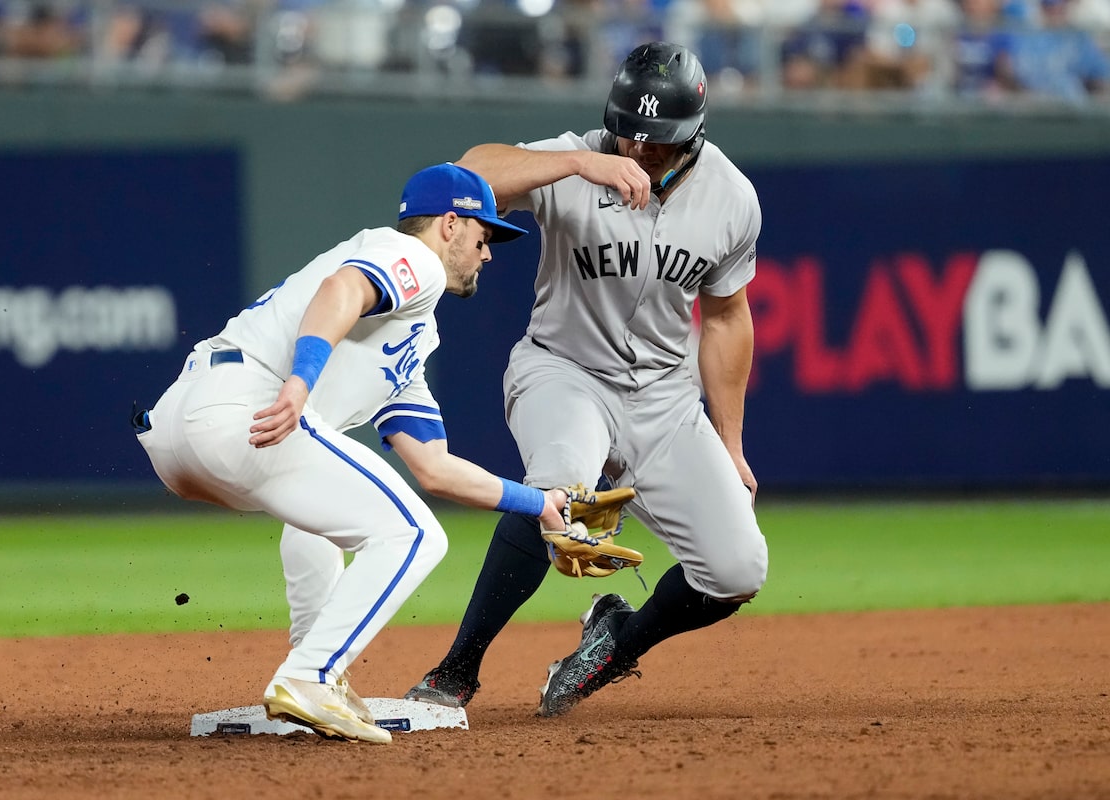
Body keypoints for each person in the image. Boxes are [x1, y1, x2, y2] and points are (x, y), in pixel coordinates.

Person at [133, 163, 570, 743]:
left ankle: (317, 675)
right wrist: (301, 381)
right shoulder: (410, 257)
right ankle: (309, 676)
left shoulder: (414, 337)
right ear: (448, 224)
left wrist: (539, 503)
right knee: (416, 536)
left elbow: (434, 469)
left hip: (186, 436)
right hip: (245, 406)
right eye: (482, 236)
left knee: (320, 519)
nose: (487, 254)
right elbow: (342, 290)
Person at [404, 41, 769, 717]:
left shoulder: (731, 198)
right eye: (629, 132)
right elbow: (465, 175)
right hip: (563, 372)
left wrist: (732, 443)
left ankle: (613, 645)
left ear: (695, 132)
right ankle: (457, 668)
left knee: (738, 570)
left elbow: (726, 319)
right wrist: (578, 162)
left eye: (659, 140)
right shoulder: (577, 159)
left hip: (664, 398)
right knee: (559, 491)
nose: (640, 149)